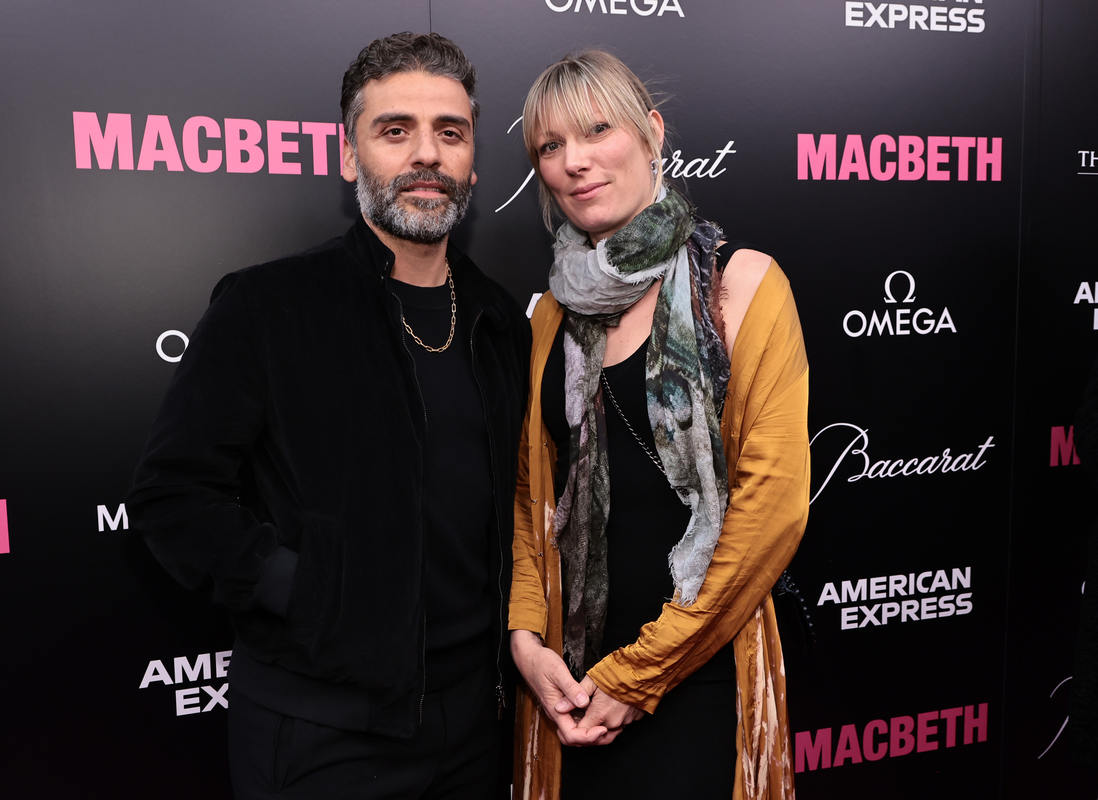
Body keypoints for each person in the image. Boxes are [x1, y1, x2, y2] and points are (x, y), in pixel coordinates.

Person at [126, 32, 531, 800]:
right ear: (349, 157)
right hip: (322, 731)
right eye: (395, 130)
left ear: (473, 163)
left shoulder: (498, 319)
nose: (427, 154)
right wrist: (307, 592)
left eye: (450, 133)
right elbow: (171, 496)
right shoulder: (268, 306)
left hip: (479, 723)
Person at [507, 50, 810, 800]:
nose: (575, 161)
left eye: (596, 130)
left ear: (652, 132)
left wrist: (641, 674)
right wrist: (526, 641)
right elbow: (529, 501)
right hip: (569, 684)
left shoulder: (741, 285)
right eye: (550, 146)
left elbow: (771, 510)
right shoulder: (549, 317)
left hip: (696, 673)